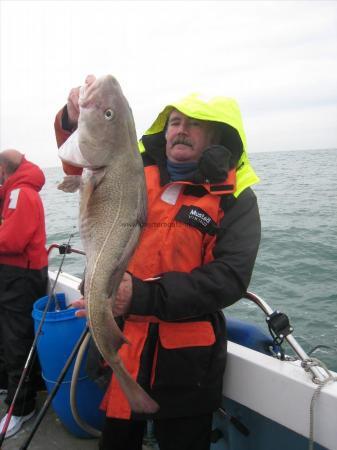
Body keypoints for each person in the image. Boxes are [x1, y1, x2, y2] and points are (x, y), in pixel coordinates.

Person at [54, 79, 261, 450]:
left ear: (215, 135)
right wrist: (73, 119)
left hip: (186, 366)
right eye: (175, 122)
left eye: (193, 124)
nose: (181, 131)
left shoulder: (237, 197)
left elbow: (229, 279)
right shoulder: (135, 172)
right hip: (123, 347)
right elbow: (87, 160)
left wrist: (142, 296)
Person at [0, 150, 48, 438]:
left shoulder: (21, 193)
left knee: (18, 338)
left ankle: (22, 408)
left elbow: (12, 240)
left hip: (21, 276)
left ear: (4, 169)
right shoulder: (14, 192)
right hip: (14, 276)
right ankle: (9, 385)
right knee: (9, 335)